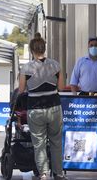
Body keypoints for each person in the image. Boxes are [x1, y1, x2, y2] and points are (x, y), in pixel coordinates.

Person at [19, 33, 67, 180]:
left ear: (31, 50)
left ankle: (44, 173)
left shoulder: (26, 68)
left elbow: (21, 90)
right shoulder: (55, 65)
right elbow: (61, 87)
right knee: (56, 142)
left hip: (35, 108)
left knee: (38, 143)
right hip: (54, 107)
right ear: (44, 48)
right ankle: (58, 173)